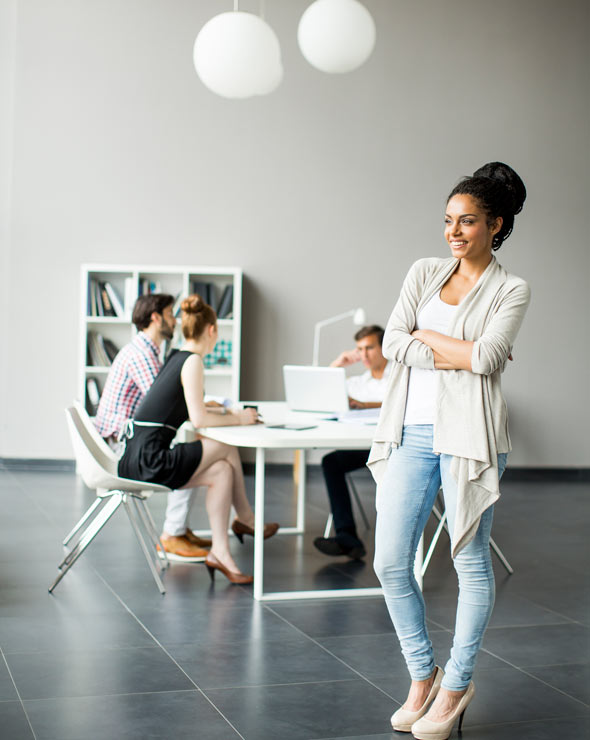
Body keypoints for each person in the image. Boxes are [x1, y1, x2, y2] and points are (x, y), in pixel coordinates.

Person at [370, 162, 530, 739]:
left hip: (469, 438)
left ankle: (458, 682)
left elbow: (487, 360)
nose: (454, 232)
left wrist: (427, 337)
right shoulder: (424, 271)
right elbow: (391, 342)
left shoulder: (511, 288)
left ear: (496, 225)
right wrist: (458, 347)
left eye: (467, 222)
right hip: (411, 432)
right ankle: (423, 675)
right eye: (448, 221)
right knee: (390, 561)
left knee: (469, 562)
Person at [117, 294, 279, 584]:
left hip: (135, 455)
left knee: (221, 471)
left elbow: (192, 405)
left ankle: (221, 551)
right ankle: (245, 518)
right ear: (213, 330)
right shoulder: (193, 361)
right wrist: (240, 418)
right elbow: (199, 419)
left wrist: (224, 410)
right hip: (150, 461)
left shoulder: (176, 356)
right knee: (227, 447)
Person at [94, 293, 212, 561]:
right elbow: (162, 403)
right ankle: (173, 532)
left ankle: (178, 530)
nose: (175, 320)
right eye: (171, 314)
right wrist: (204, 406)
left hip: (124, 440)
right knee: (191, 456)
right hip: (122, 447)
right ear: (156, 318)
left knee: (188, 452)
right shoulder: (142, 354)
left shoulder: (147, 350)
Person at [313, 325, 390, 560]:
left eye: (369, 348)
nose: (364, 355)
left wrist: (366, 405)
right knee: (331, 462)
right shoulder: (358, 382)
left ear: (384, 347)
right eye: (359, 349)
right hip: (365, 446)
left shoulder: (401, 375)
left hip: (394, 448)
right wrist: (337, 365)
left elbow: (404, 403)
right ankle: (347, 537)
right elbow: (317, 395)